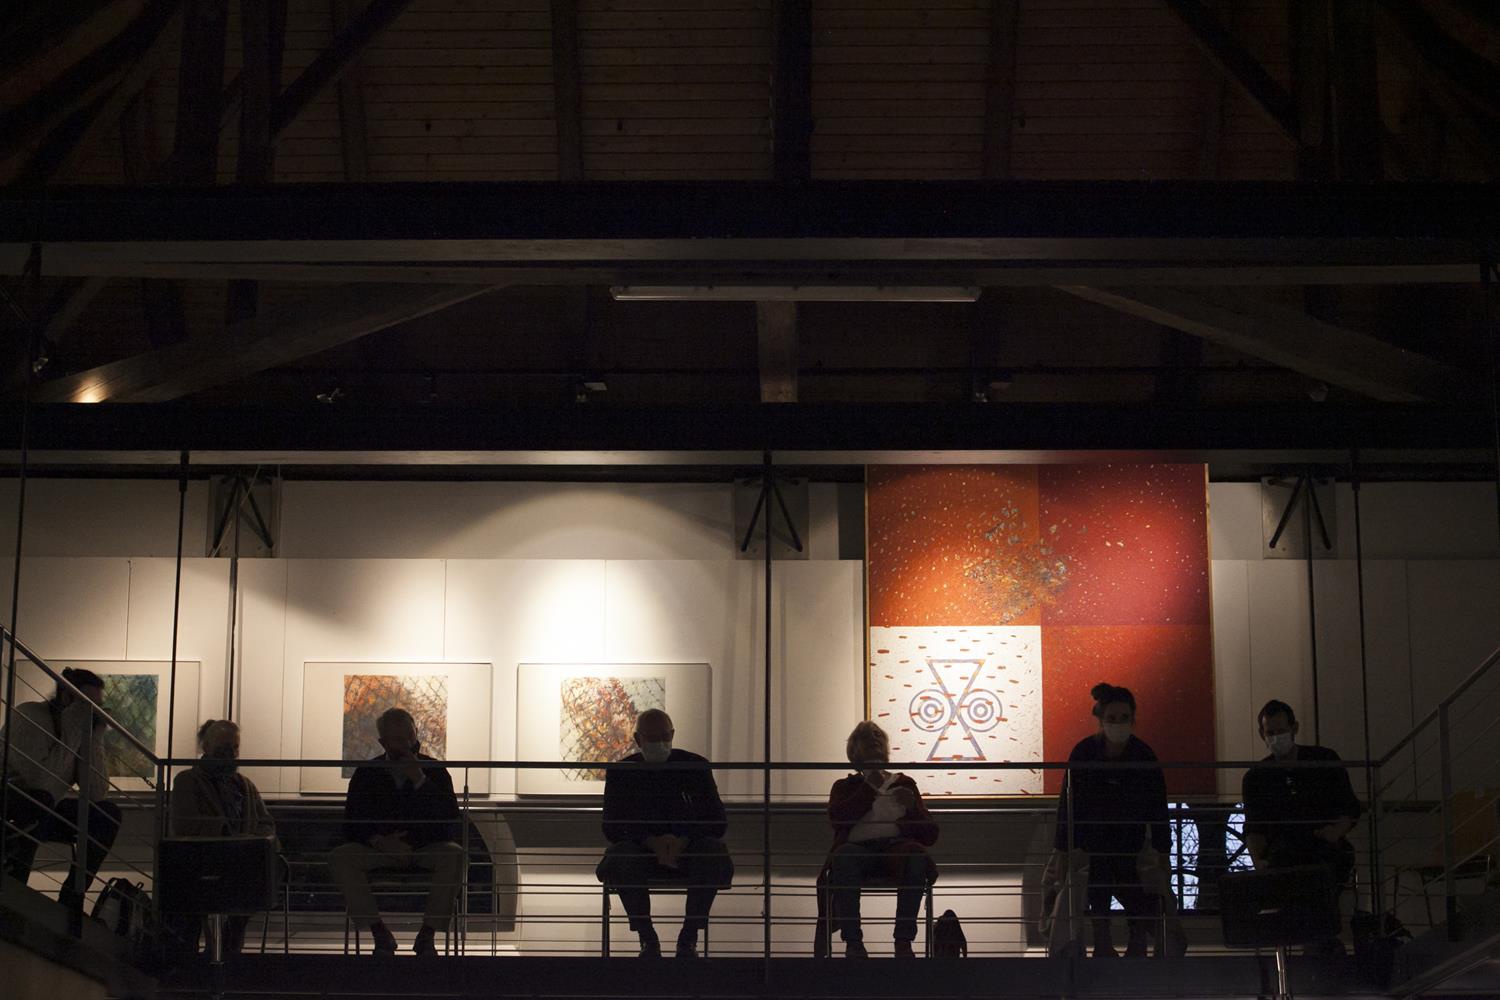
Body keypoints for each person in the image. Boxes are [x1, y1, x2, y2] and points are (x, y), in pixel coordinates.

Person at [597, 708, 732, 958]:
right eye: (652, 738)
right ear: (638, 740)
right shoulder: (622, 772)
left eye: (664, 736)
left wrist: (683, 839)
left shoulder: (695, 766)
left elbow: (717, 822)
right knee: (622, 855)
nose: (660, 743)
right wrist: (650, 840)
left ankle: (688, 937)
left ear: (672, 735)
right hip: (641, 854)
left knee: (712, 852)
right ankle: (647, 937)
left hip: (688, 851)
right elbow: (611, 825)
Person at [329, 707, 464, 957]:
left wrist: (420, 780)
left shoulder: (434, 770)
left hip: (425, 848)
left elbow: (449, 818)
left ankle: (427, 934)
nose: (407, 745)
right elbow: (352, 820)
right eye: (399, 740)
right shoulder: (367, 772)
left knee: (455, 855)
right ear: (383, 742)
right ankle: (379, 932)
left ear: (416, 734)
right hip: (380, 848)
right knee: (342, 857)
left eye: (410, 737)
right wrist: (379, 841)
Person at [1052, 683, 1171, 958]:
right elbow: (1067, 805)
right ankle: (1102, 937)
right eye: (1112, 718)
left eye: (1124, 718)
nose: (1118, 724)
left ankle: (1137, 937)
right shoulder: (1084, 753)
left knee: (1131, 876)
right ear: (1101, 720)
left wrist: (1163, 851)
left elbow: (1158, 808)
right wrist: (1061, 849)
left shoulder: (1143, 756)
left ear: (1133, 719)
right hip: (1093, 841)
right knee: (1099, 873)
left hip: (1131, 841)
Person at [1241, 699, 1360, 953]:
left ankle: (1318, 941)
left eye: (1281, 731)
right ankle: (1319, 941)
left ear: (1294, 728)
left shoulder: (1323, 760)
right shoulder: (1256, 777)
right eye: (1271, 733)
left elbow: (1350, 808)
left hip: (1324, 849)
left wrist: (1335, 833)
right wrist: (1259, 860)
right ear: (1262, 734)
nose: (1276, 738)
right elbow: (1254, 828)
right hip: (1284, 855)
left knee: (1321, 876)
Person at [0, 667, 121, 911]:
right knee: (39, 800)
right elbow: (40, 783)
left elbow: (96, 793)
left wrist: (95, 737)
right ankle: (14, 887)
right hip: (13, 803)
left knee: (107, 814)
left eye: (97, 707)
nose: (91, 712)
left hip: (46, 806)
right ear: (66, 697)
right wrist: (73, 730)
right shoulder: (30, 716)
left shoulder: (78, 729)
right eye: (86, 704)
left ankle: (72, 899)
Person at [819, 720, 938, 959]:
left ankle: (903, 942)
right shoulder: (844, 786)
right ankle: (853, 943)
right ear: (855, 750)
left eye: (878, 735)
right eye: (866, 736)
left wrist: (912, 808)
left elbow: (930, 835)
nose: (874, 738)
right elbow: (838, 819)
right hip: (858, 850)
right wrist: (870, 786)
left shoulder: (904, 783)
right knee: (844, 856)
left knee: (916, 855)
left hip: (897, 850)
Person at [166, 720, 276, 959]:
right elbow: (186, 823)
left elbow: (266, 822)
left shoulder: (246, 786)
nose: (230, 754)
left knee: (268, 871)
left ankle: (231, 937)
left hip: (243, 858)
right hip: (206, 858)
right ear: (206, 746)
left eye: (234, 748)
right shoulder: (187, 781)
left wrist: (257, 841)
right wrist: (227, 834)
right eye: (223, 748)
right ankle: (218, 946)